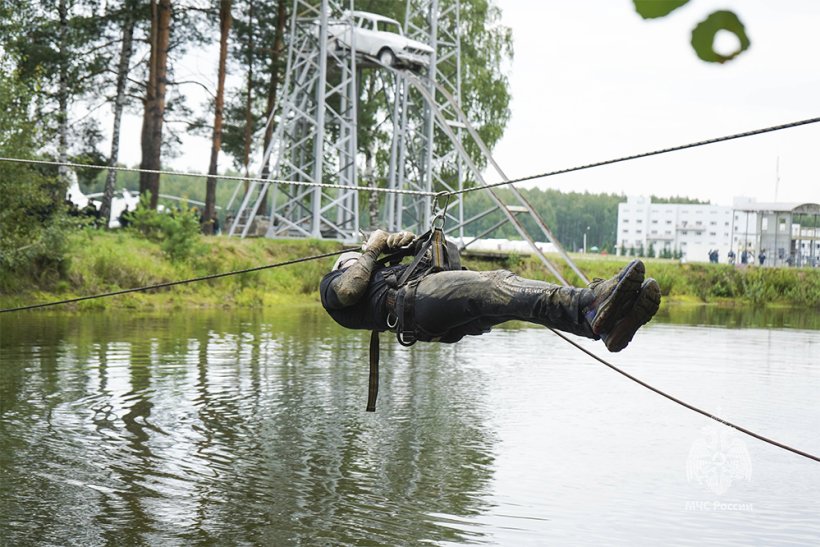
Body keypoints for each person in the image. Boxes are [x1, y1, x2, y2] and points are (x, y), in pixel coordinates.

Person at [320, 229, 661, 353]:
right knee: (498, 284)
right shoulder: (333, 286)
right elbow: (350, 290)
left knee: (515, 302)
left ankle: (601, 325)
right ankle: (589, 304)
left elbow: (444, 268)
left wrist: (411, 245)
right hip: (416, 304)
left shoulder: (381, 276)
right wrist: (371, 248)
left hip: (427, 312)